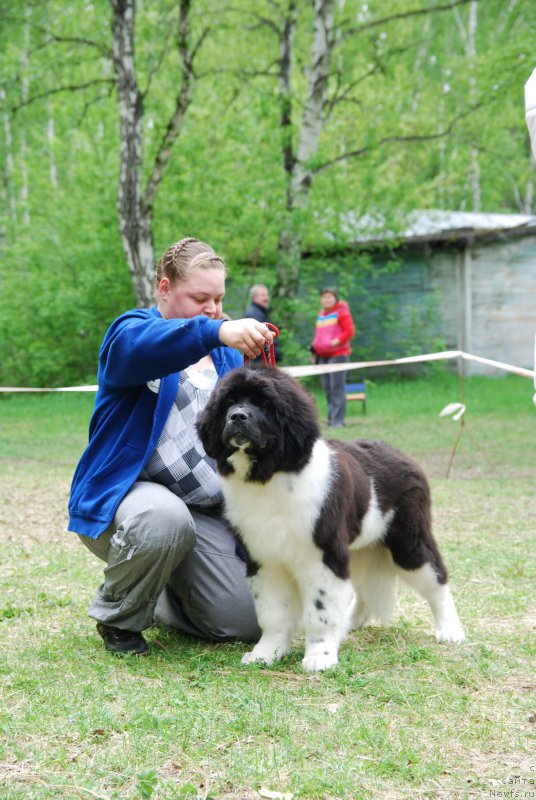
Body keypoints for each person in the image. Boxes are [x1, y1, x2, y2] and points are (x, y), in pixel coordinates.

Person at [68, 237, 275, 655]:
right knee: (165, 519)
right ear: (164, 289)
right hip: (134, 503)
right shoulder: (130, 333)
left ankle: (157, 589)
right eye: (200, 297)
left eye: (218, 299)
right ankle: (120, 618)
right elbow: (149, 346)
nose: (213, 309)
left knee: (245, 621)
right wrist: (215, 330)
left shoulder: (226, 358)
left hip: (206, 512)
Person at [310, 288, 355, 428]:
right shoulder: (321, 314)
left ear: (335, 298)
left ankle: (338, 421)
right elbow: (318, 335)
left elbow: (350, 331)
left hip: (338, 355)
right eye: (324, 297)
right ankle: (331, 419)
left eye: (329, 297)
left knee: (337, 388)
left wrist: (334, 343)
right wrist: (314, 352)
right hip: (322, 356)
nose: (326, 300)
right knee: (328, 389)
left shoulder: (342, 312)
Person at [244, 284, 282, 363]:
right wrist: (273, 354)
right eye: (263, 295)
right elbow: (261, 341)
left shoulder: (261, 312)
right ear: (254, 297)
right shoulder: (254, 314)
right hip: (259, 363)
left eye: (267, 295)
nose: (266, 298)